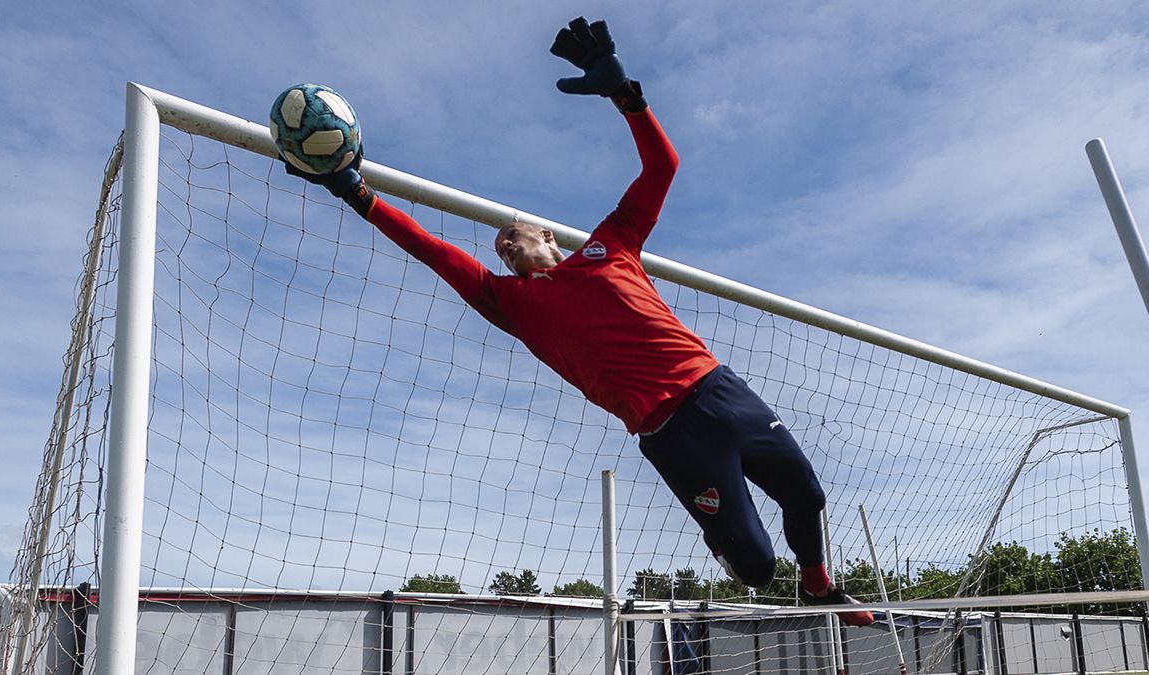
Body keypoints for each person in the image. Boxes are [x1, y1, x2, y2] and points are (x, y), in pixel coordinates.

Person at [287, 17, 873, 627]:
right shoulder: (509, 301)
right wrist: (360, 195)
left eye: (510, 235)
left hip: (719, 389)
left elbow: (661, 170)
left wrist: (628, 99)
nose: (503, 247)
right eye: (498, 248)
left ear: (546, 233)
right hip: (672, 436)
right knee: (756, 571)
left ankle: (819, 586)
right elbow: (431, 250)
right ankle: (731, 544)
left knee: (806, 493)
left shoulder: (610, 245)